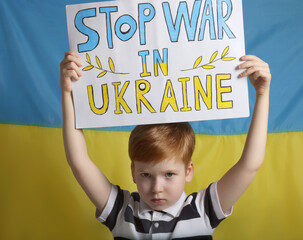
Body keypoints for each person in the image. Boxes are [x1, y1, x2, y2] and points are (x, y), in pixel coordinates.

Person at [60, 51, 271, 239]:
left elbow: (250, 165)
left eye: (169, 174)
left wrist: (262, 94)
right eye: (146, 175)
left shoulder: (203, 208)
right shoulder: (121, 209)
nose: (156, 188)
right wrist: (68, 93)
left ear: (188, 171)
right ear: (133, 172)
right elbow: (78, 162)